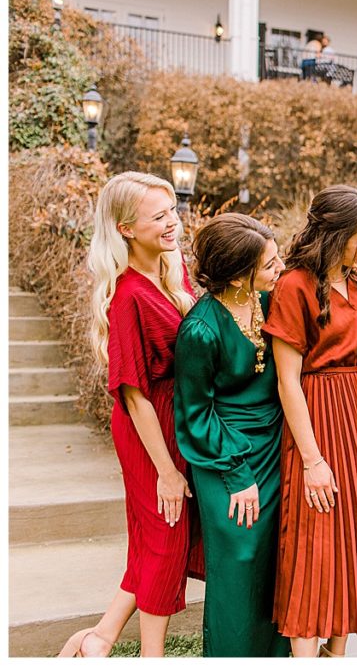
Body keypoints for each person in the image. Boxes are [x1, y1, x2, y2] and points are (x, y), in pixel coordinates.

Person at [59, 172, 198, 657]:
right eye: (158, 216)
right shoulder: (128, 296)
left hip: (174, 421)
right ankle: (150, 655)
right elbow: (133, 393)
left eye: (172, 212)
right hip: (147, 428)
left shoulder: (170, 273)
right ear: (125, 228)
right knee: (165, 535)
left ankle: (100, 638)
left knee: (153, 538)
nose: (172, 223)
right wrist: (165, 471)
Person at [264, 185, 357, 657]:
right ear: (337, 233)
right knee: (315, 542)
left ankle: (336, 653)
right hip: (319, 418)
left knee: (353, 539)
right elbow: (288, 382)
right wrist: (312, 460)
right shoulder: (294, 285)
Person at [173, 214, 289, 657]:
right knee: (239, 564)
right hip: (226, 456)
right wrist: (238, 474)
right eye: (270, 264)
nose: (279, 269)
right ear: (239, 274)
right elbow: (195, 415)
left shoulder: (266, 300)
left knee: (276, 561)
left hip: (275, 447)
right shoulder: (200, 329)